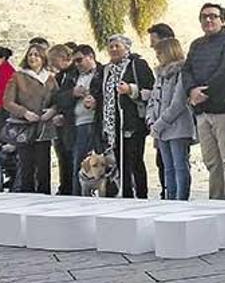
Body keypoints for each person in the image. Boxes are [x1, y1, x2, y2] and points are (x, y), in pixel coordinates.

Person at [183, 3, 225, 200]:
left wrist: (205, 92)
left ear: (222, 20)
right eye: (204, 17)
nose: (208, 20)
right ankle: (216, 201)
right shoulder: (196, 45)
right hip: (202, 112)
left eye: (213, 16)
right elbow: (187, 70)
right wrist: (191, 91)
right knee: (211, 162)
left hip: (224, 110)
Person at [90, 35, 155, 199]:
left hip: (132, 121)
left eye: (117, 46)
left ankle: (141, 195)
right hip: (113, 124)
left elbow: (150, 89)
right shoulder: (105, 70)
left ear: (126, 48)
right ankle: (126, 194)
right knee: (120, 161)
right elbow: (100, 93)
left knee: (135, 160)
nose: (113, 50)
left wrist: (131, 90)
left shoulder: (137, 65)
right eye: (110, 47)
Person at [3, 44, 58, 194]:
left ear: (43, 58)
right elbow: (7, 102)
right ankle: (27, 199)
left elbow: (57, 100)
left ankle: (44, 198)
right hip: (24, 128)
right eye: (30, 55)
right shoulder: (18, 77)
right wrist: (24, 112)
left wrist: (52, 111)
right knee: (27, 166)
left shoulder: (50, 79)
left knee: (43, 166)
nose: (32, 58)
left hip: (43, 128)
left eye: (36, 55)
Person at [147, 39, 196, 200]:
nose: (158, 57)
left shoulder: (182, 73)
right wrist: (151, 120)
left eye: (160, 53)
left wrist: (160, 123)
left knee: (180, 166)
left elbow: (178, 102)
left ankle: (181, 199)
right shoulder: (160, 75)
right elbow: (153, 99)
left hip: (178, 128)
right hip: (161, 130)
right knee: (168, 168)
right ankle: (170, 197)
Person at [55, 44, 101, 196]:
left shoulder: (102, 72)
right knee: (78, 165)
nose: (77, 64)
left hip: (97, 124)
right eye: (74, 61)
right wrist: (73, 93)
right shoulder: (72, 76)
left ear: (91, 57)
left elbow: (109, 96)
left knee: (100, 165)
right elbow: (59, 98)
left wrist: (95, 101)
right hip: (76, 125)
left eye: (80, 60)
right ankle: (78, 198)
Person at [147, 22, 175, 199]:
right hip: (159, 124)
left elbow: (177, 101)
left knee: (176, 164)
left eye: (154, 42)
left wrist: (160, 122)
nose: (151, 46)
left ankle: (175, 195)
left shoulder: (179, 69)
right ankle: (166, 192)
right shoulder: (160, 71)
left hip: (173, 125)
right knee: (162, 162)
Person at [48, 44, 76, 195]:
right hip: (59, 124)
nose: (52, 65)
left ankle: (71, 188)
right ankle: (64, 187)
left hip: (71, 123)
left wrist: (64, 115)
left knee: (71, 157)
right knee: (62, 157)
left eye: (53, 60)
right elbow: (57, 97)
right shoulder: (60, 76)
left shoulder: (74, 74)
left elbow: (72, 98)